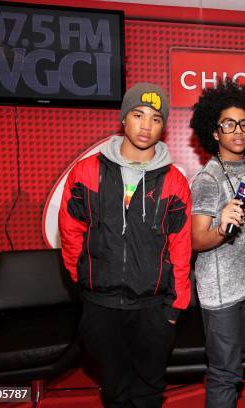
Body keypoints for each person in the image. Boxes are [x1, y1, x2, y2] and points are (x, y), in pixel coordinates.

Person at [59, 82, 191, 408]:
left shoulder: (174, 180)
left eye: (156, 118)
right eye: (138, 114)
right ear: (124, 118)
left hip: (153, 308)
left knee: (148, 391)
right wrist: (84, 277)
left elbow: (181, 245)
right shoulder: (87, 171)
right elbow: (70, 228)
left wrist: (175, 308)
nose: (146, 125)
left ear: (163, 126)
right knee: (114, 388)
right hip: (100, 305)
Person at [189, 78, 245, 408]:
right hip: (220, 292)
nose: (238, 131)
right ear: (215, 132)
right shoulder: (209, 178)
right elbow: (196, 240)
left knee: (238, 358)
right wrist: (221, 228)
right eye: (229, 124)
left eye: (244, 124)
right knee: (225, 373)